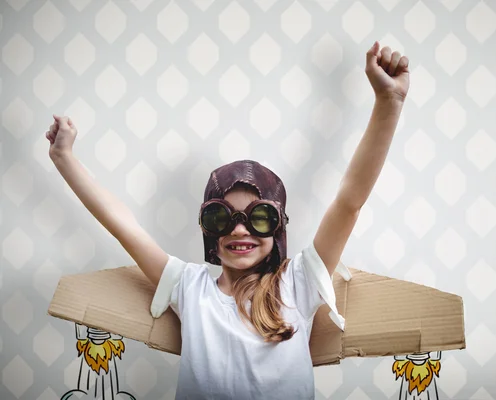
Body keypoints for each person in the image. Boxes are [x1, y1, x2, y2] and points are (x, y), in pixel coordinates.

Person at [46, 40, 410, 399]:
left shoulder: (298, 284)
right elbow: (122, 224)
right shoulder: (190, 287)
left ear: (279, 227)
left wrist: (388, 103)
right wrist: (64, 158)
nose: (239, 229)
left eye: (260, 217)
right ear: (207, 228)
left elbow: (349, 202)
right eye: (222, 216)